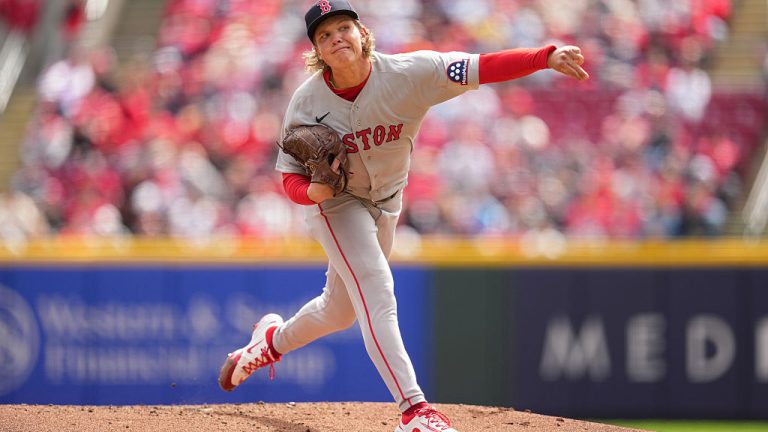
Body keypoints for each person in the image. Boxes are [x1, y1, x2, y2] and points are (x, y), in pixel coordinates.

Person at [218, 1, 588, 431]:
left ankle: (268, 344)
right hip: (337, 206)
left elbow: (480, 66)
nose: (336, 37)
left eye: (343, 28)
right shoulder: (305, 102)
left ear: (362, 33)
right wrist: (312, 190)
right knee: (377, 288)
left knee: (340, 312)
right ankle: (414, 410)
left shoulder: (412, 72)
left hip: (387, 202)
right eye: (324, 35)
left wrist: (544, 57)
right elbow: (288, 179)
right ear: (317, 51)